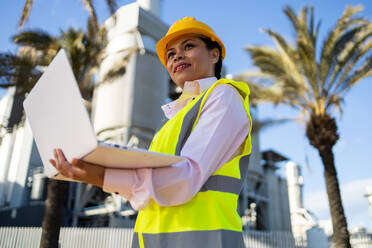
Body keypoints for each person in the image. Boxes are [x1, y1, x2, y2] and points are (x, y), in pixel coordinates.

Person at [50, 17, 252, 248]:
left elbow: (185, 177)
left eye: (188, 46)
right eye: (170, 54)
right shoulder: (170, 122)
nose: (176, 56)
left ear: (214, 55)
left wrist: (99, 175)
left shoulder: (223, 96)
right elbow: (150, 190)